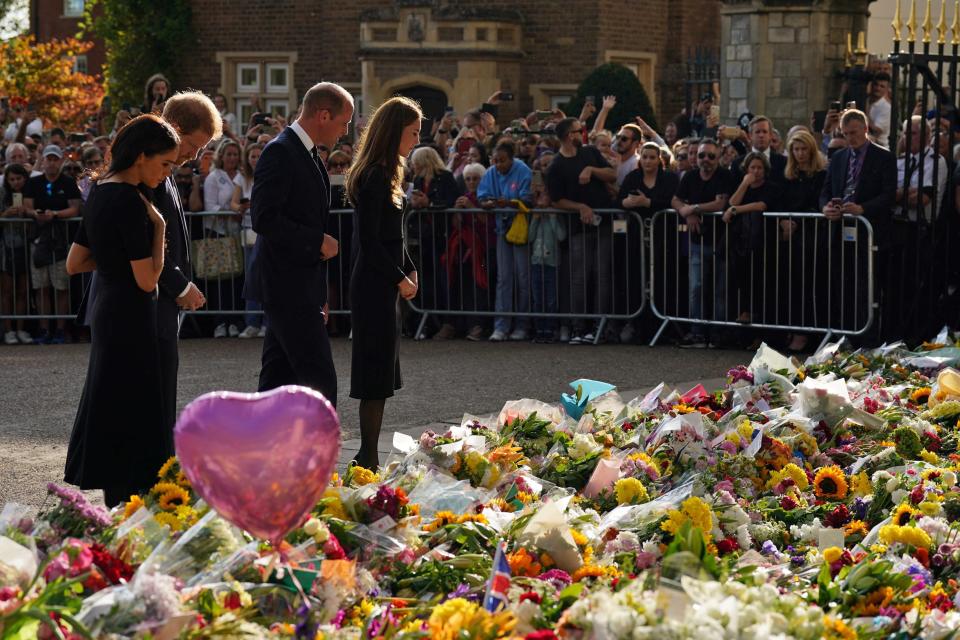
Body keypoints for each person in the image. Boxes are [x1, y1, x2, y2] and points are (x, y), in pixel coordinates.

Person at [63, 114, 181, 506]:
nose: (166, 174)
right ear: (141, 156)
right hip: (131, 312)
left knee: (111, 397)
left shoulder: (99, 190)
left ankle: (118, 493)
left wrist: (115, 262)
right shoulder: (132, 200)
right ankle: (130, 495)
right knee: (133, 401)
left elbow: (75, 262)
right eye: (164, 164)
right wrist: (160, 228)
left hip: (108, 309)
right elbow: (149, 279)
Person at [245, 82, 349, 406]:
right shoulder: (280, 151)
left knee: (278, 378)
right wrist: (317, 240)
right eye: (343, 122)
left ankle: (264, 451)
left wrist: (319, 293)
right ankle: (319, 455)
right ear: (323, 115)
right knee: (319, 380)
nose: (344, 132)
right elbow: (263, 217)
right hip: (285, 285)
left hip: (299, 285)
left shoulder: (307, 153)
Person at [345, 96, 421, 469]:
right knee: (374, 373)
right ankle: (368, 455)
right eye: (413, 132)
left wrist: (410, 269)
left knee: (382, 373)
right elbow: (370, 242)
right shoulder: (374, 176)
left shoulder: (390, 173)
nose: (416, 139)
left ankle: (368, 452)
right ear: (395, 132)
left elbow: (396, 236)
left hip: (386, 281)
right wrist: (399, 276)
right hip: (373, 284)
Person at [152, 92, 219, 435]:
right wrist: (179, 284)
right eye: (193, 145)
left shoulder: (166, 172)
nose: (195, 155)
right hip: (151, 301)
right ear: (176, 129)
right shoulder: (150, 174)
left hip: (164, 300)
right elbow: (145, 246)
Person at [820, 109, 896, 339]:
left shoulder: (884, 157)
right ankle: (843, 335)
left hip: (869, 233)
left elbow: (888, 194)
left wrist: (863, 208)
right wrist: (826, 208)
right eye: (845, 133)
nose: (850, 138)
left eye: (854, 132)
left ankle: (868, 338)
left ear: (865, 129)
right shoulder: (839, 158)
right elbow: (825, 190)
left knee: (866, 287)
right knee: (841, 285)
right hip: (841, 231)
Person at [546, 117, 618, 344]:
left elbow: (612, 174)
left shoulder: (589, 153)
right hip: (578, 228)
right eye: (579, 131)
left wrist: (591, 170)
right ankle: (580, 327)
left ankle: (600, 326)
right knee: (580, 277)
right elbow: (556, 200)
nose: (583, 134)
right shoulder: (556, 166)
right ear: (570, 136)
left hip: (603, 223)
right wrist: (580, 207)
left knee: (602, 275)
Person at [671, 138, 734, 348]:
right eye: (701, 155)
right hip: (697, 242)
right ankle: (697, 332)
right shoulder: (690, 176)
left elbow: (720, 203)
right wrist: (685, 212)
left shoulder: (725, 175)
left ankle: (718, 333)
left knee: (720, 290)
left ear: (718, 158)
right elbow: (675, 200)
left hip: (721, 242)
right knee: (696, 288)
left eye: (710, 156)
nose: (705, 160)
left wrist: (694, 208)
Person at [23, 144, 81, 344]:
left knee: (60, 286)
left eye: (55, 159)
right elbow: (27, 205)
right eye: (49, 159)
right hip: (38, 241)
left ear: (61, 161)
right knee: (41, 287)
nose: (52, 162)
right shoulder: (34, 182)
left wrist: (55, 215)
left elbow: (75, 208)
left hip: (60, 242)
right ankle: (44, 328)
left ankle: (60, 329)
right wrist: (36, 215)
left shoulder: (69, 182)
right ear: (44, 160)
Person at [479, 140, 533, 341]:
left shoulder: (523, 171)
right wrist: (487, 203)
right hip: (502, 230)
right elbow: (482, 196)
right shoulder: (491, 172)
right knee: (504, 279)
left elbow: (528, 199)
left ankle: (523, 325)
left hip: (520, 230)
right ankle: (501, 326)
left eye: (502, 161)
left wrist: (509, 203)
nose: (498, 165)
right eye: (495, 160)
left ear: (512, 158)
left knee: (523, 278)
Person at [780, 129, 827, 352]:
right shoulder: (788, 175)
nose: (800, 153)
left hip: (811, 236)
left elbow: (818, 204)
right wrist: (784, 221)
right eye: (795, 149)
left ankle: (806, 333)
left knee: (808, 285)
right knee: (790, 285)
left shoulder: (819, 175)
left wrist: (798, 221)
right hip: (789, 237)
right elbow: (780, 203)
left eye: (803, 149)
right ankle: (792, 329)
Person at [723, 152, 779, 328]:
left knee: (761, 282)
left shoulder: (770, 187)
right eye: (752, 167)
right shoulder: (744, 185)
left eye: (759, 168)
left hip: (763, 241)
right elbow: (733, 201)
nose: (756, 171)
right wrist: (744, 183)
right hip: (742, 242)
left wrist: (735, 210)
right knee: (742, 278)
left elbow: (761, 205)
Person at [204, 138, 243, 338]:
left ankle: (235, 320)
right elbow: (209, 206)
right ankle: (220, 321)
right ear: (221, 156)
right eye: (228, 154)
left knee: (236, 279)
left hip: (238, 233)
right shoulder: (214, 176)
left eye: (235, 154)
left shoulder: (241, 176)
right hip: (218, 232)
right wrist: (229, 212)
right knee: (220, 280)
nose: (232, 158)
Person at [231, 143, 264, 338]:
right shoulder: (242, 178)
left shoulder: (269, 173)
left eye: (259, 155)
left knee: (267, 277)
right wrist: (240, 208)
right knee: (251, 278)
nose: (255, 159)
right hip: (248, 232)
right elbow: (234, 202)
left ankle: (268, 323)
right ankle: (252, 322)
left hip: (266, 233)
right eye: (252, 156)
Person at [1, 163, 32, 344]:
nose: (15, 182)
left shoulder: (29, 193)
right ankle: (8, 330)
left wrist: (27, 212)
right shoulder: (1, 194)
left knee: (22, 290)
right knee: (6, 291)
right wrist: (6, 214)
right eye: (11, 179)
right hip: (5, 246)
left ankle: (20, 329)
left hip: (25, 245)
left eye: (18, 178)